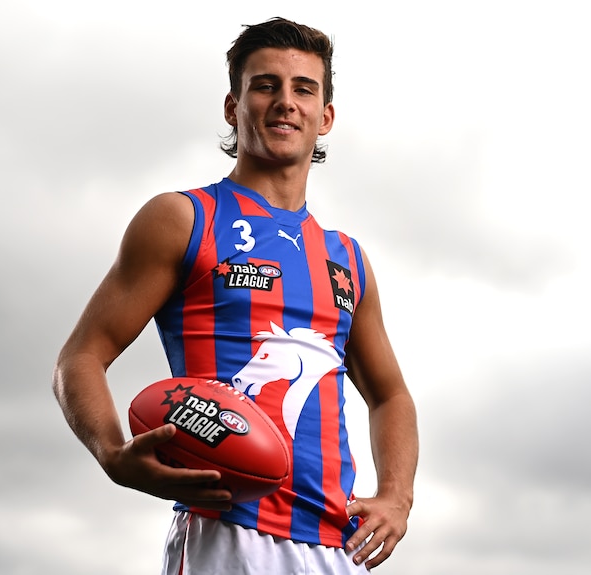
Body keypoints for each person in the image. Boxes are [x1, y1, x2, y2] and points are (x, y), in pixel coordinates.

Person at [52, 17, 418, 574]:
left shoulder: (346, 258)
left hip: (333, 545)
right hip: (227, 529)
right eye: (265, 85)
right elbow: (80, 357)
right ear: (233, 106)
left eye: (304, 89)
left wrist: (396, 497)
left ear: (326, 117)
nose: (285, 102)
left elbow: (391, 396)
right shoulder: (184, 219)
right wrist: (111, 454)